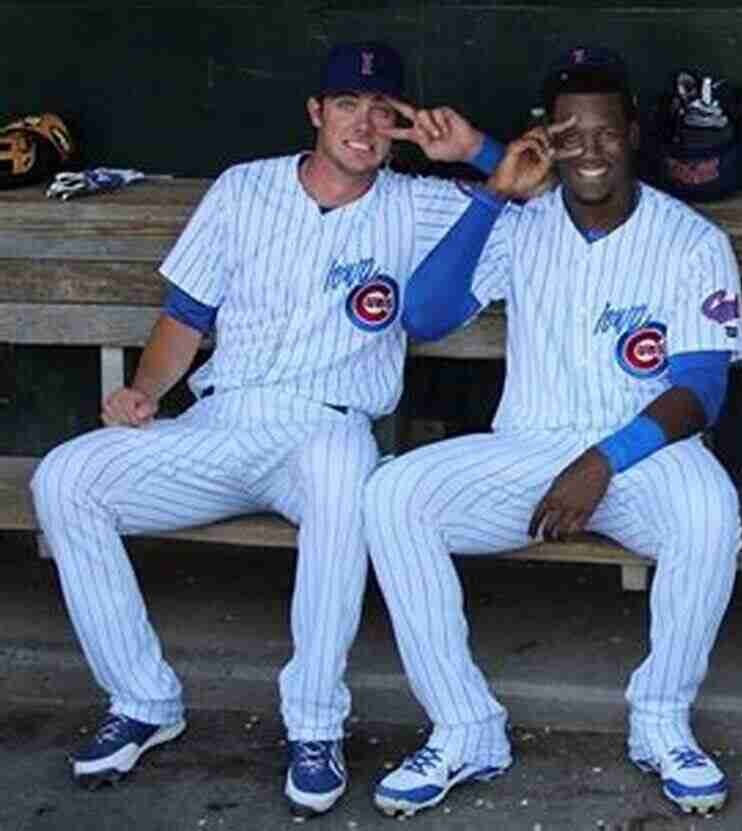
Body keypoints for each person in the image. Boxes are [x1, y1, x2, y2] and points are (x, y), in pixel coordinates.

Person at [29, 41, 506, 817]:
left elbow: (539, 199)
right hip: (220, 418)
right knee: (66, 478)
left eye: (382, 112)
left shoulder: (421, 205)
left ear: (401, 126)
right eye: (346, 105)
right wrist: (145, 391)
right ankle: (142, 699)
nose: (363, 124)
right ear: (315, 112)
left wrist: (475, 150)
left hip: (327, 426)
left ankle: (316, 723)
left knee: (340, 472)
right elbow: (186, 314)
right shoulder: (243, 188)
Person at [361, 45, 742, 819]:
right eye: (570, 134)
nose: (590, 151)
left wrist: (604, 460)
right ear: (545, 139)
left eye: (606, 133)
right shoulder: (520, 222)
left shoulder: (689, 238)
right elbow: (425, 315)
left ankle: (661, 719)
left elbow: (701, 391)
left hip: (646, 454)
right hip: (530, 450)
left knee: (712, 514)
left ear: (634, 133)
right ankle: (465, 727)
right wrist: (491, 196)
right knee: (394, 493)